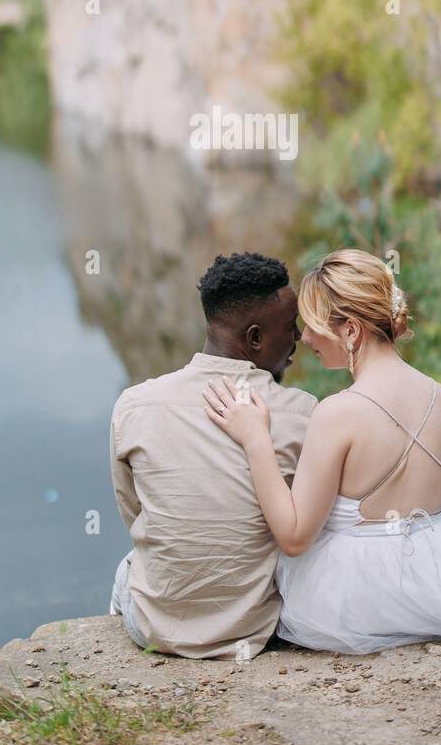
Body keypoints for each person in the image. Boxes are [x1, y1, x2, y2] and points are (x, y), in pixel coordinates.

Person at [203, 248, 441, 654]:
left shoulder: (336, 413)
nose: (305, 338)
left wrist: (255, 440)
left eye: (315, 325)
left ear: (351, 331)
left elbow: (295, 536)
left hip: (362, 598)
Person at [108, 252, 316, 658]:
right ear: (255, 339)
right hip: (255, 628)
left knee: (129, 564)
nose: (298, 340)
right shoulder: (303, 413)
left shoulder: (135, 405)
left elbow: (135, 514)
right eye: (291, 329)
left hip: (155, 628)